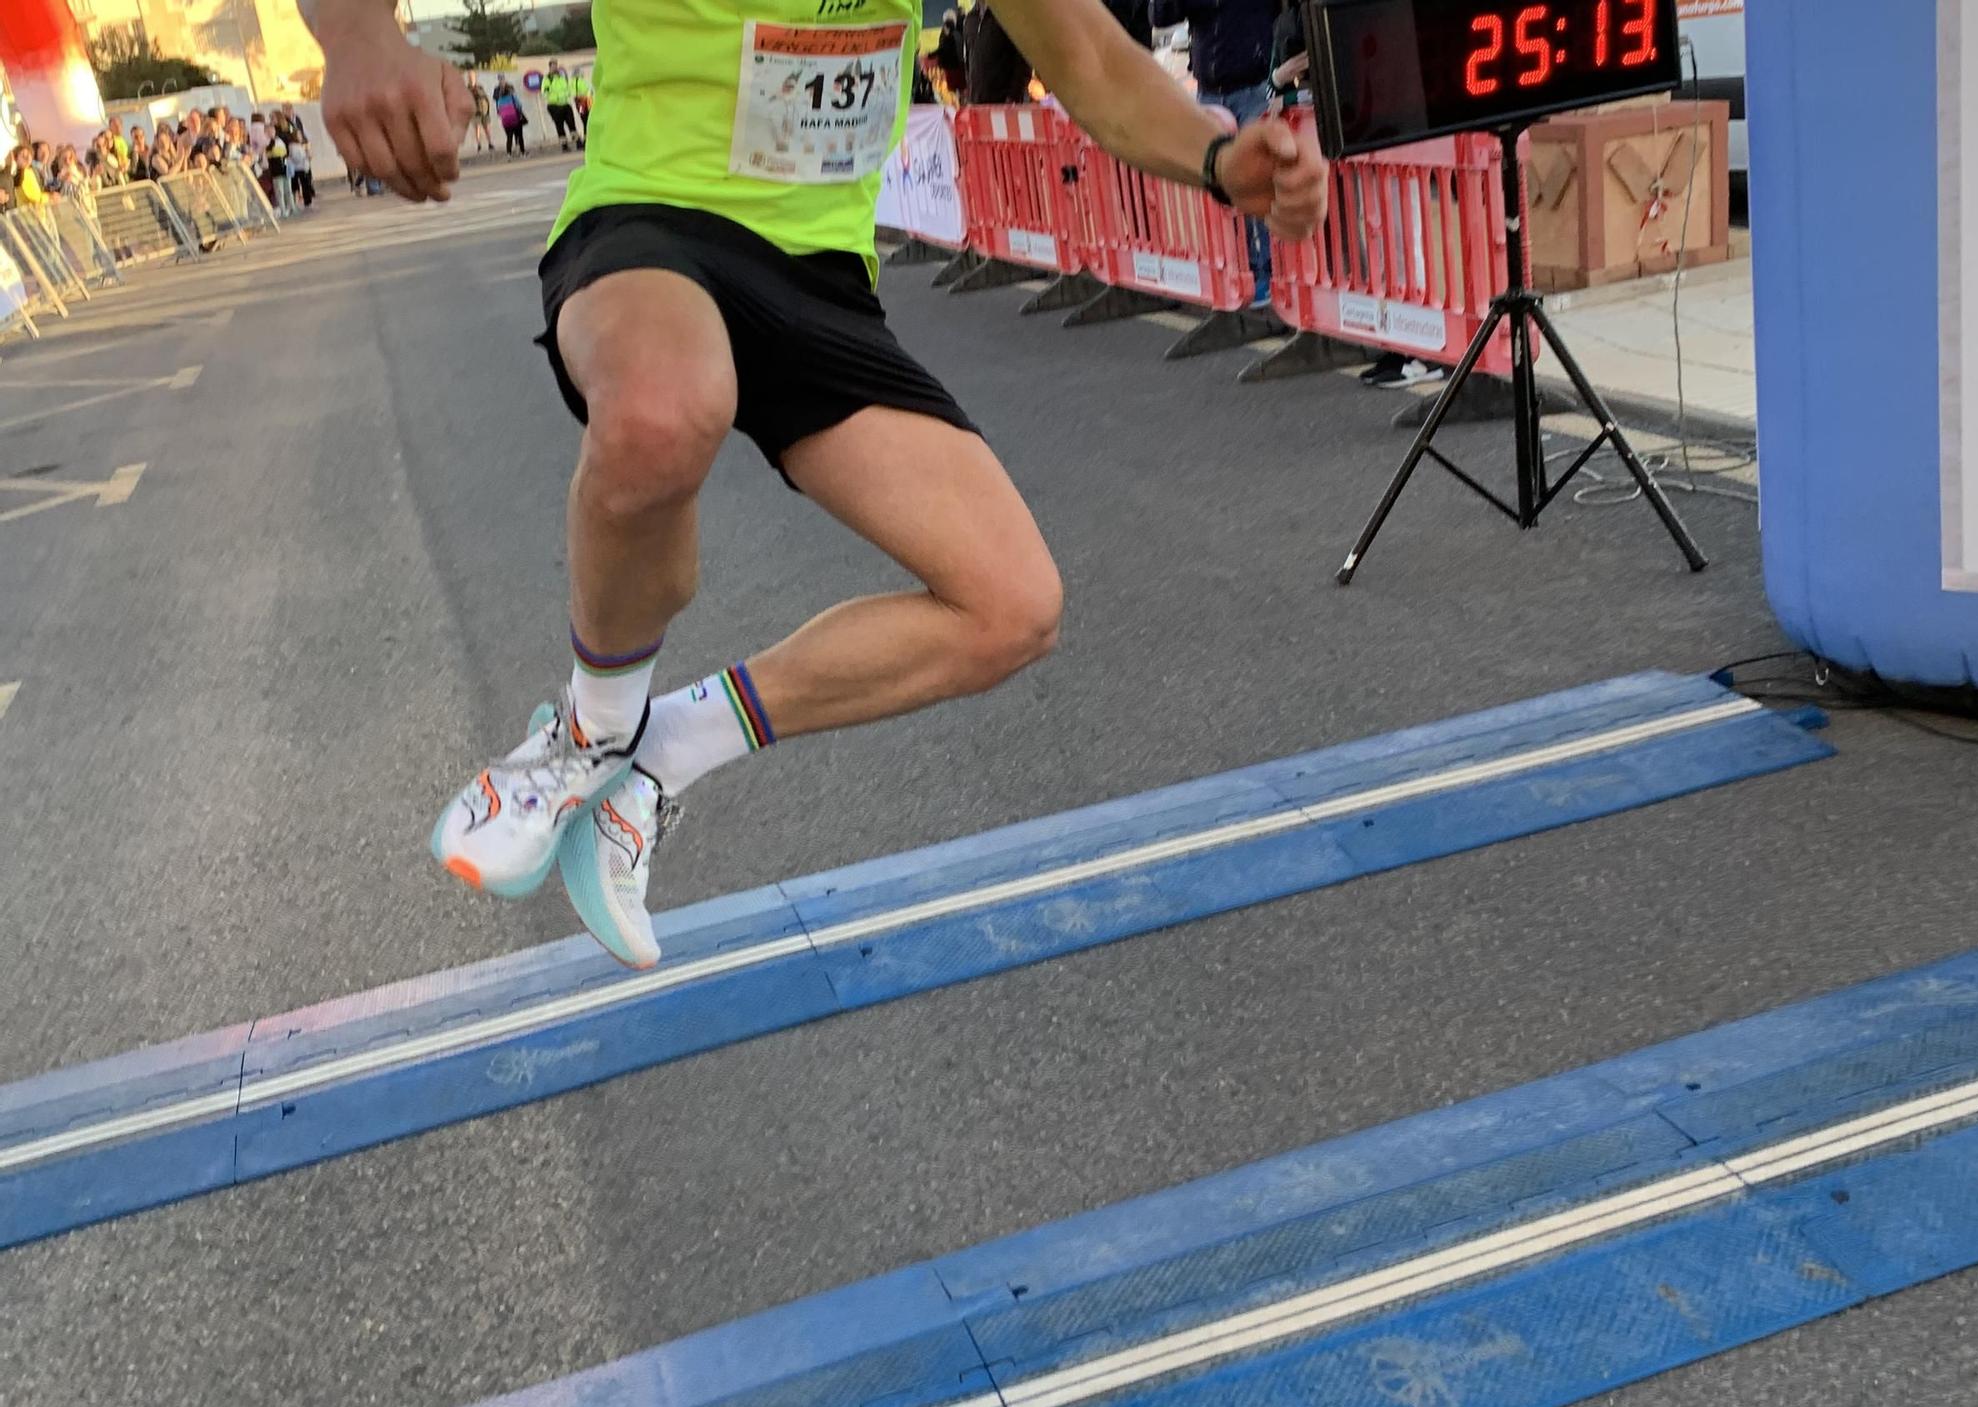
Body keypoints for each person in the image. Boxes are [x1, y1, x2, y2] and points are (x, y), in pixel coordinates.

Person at [308, 0, 1326, 969]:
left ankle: (658, 754)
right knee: (663, 413)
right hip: (647, 225)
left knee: (1010, 607)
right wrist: (356, 36)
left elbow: (1096, 64)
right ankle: (585, 732)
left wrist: (1215, 157)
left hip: (820, 279)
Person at [1150, 0, 1277, 304]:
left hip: (1252, 90)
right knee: (1224, 186)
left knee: (1255, 182)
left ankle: (1270, 274)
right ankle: (1241, 273)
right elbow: (1162, 16)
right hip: (1210, 93)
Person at [542, 60, 580, 151]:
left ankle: (578, 143)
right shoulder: (547, 79)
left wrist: (568, 94)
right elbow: (545, 92)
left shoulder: (561, 77)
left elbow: (567, 88)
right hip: (554, 105)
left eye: (556, 65)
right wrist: (554, 96)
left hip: (565, 104)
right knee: (560, 126)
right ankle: (564, 146)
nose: (555, 67)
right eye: (553, 65)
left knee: (572, 124)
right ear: (550, 67)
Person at [494, 77, 529, 155]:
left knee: (509, 137)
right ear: (510, 90)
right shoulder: (512, 97)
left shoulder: (499, 100)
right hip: (515, 119)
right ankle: (522, 152)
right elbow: (519, 105)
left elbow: (499, 111)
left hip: (506, 122)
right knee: (520, 136)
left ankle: (509, 154)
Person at [468, 79, 496, 152]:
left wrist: (476, 89)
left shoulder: (480, 87)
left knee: (486, 128)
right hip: (475, 112)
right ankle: (479, 144)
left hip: (484, 111)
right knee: (477, 128)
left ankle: (490, 144)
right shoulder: (468, 89)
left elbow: (484, 96)